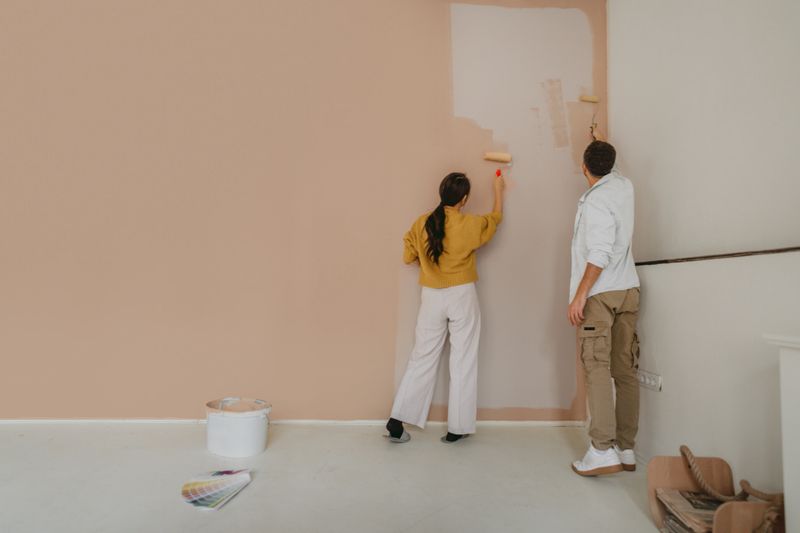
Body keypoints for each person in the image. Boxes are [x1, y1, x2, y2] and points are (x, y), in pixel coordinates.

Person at [386, 171, 505, 444]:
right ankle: (457, 428)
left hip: (431, 296)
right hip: (462, 295)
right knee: (463, 359)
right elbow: (495, 220)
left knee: (422, 357)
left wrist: (429, 268)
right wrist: (499, 190)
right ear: (464, 199)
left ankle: (397, 418)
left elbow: (408, 256)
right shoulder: (469, 224)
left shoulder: (421, 223)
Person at [568, 140, 641, 476]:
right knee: (624, 371)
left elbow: (599, 252)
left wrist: (581, 294)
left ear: (584, 167)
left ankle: (601, 450)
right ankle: (626, 450)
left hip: (601, 293)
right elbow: (607, 165)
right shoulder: (624, 187)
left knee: (596, 368)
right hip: (628, 289)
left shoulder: (596, 201)